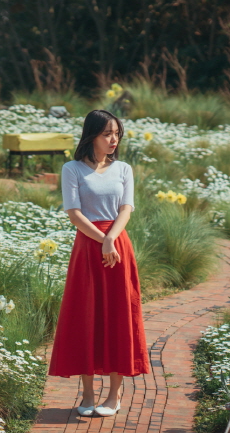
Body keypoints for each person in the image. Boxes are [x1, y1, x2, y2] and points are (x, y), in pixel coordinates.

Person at [47, 109, 150, 417]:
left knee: (120, 315)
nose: (113, 139)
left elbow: (126, 209)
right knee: (85, 315)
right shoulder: (72, 169)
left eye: (117, 133)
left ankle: (114, 396)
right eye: (107, 133)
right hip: (87, 248)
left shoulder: (124, 169)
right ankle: (88, 395)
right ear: (91, 135)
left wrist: (111, 240)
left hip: (117, 247)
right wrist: (101, 239)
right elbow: (74, 214)